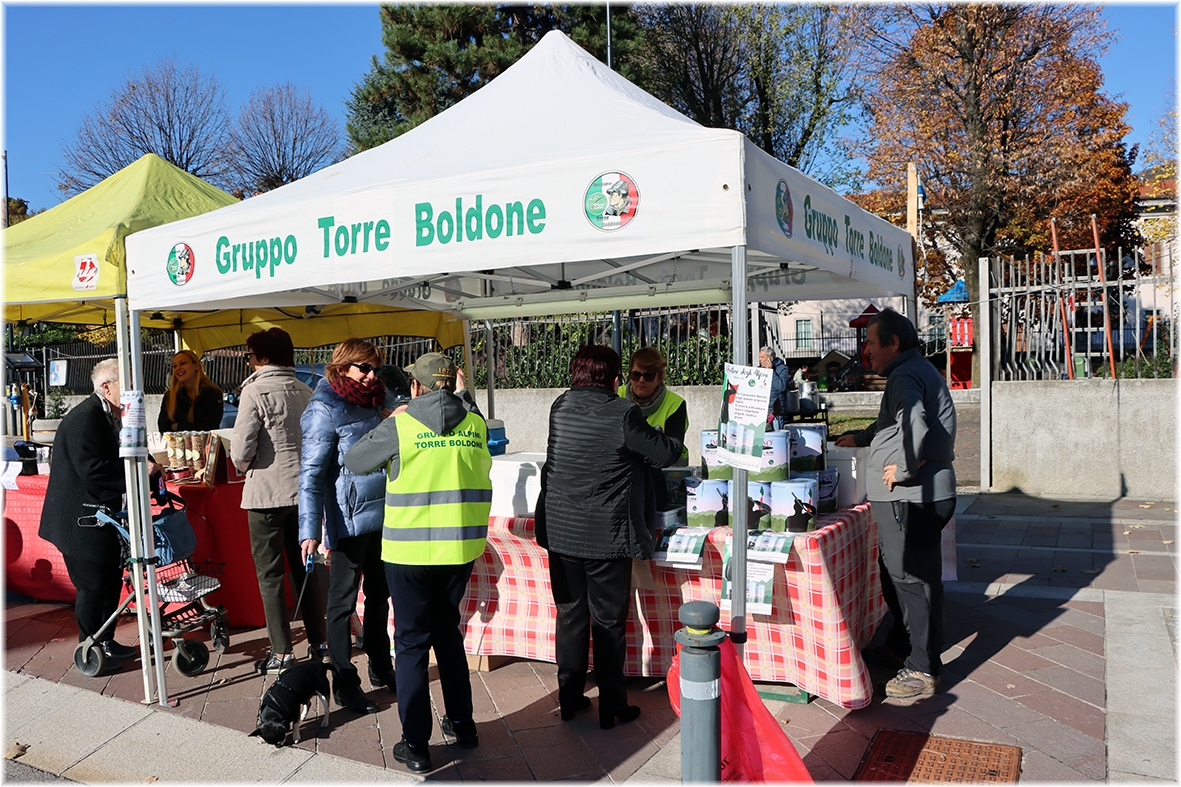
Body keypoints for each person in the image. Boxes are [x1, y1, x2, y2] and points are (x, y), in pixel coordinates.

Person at [344, 352, 490, 774]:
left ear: (414, 386)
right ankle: (463, 726)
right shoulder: (474, 423)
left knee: (410, 646)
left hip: (409, 553)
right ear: (452, 383)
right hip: (458, 550)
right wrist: (465, 395)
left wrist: (392, 421)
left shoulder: (402, 425)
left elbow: (355, 460)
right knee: (448, 635)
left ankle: (417, 745)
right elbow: (473, 419)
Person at [536, 345, 683, 730]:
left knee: (570, 615)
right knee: (607, 621)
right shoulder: (623, 413)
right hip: (606, 533)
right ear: (615, 379)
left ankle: (569, 697)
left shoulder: (560, 406)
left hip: (561, 531)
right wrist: (664, 436)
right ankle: (612, 705)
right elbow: (665, 454)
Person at [834, 308, 956, 698]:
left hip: (910, 496)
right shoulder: (915, 370)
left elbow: (914, 419)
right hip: (920, 494)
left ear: (894, 343)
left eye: (871, 342)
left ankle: (921, 668)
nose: (866, 350)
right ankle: (905, 646)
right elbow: (895, 420)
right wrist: (862, 437)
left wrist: (903, 468)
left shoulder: (904, 375)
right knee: (903, 575)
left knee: (911, 580)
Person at [298, 339, 396, 715]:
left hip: (385, 514)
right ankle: (344, 681)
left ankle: (380, 665)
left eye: (375, 368)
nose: (371, 375)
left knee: (380, 594)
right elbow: (310, 474)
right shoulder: (324, 407)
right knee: (341, 602)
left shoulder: (377, 400)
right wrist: (309, 530)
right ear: (341, 368)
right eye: (363, 368)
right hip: (348, 519)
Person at [231, 328, 327, 674]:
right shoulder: (306, 389)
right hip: (304, 492)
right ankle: (319, 643)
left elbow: (241, 450)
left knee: (270, 575)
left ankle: (283, 652)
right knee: (306, 569)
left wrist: (243, 465)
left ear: (263, 357)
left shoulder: (254, 391)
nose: (248, 362)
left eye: (250, 356)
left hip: (266, 494)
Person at [38, 359, 136, 673]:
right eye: (126, 383)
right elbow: (93, 469)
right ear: (106, 387)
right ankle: (89, 647)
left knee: (109, 581)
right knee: (93, 586)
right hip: (79, 520)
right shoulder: (85, 417)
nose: (133, 390)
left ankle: (105, 640)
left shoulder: (106, 413)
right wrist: (136, 473)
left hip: (97, 515)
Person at [618, 347, 688, 466]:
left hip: (666, 471)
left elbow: (672, 450)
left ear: (660, 378)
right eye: (636, 374)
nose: (641, 380)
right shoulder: (617, 396)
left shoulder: (675, 404)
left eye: (648, 375)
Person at [157, 350, 223, 432]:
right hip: (176, 440)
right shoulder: (169, 395)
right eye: (174, 366)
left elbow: (211, 426)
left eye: (182, 363)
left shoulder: (213, 393)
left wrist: (178, 426)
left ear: (196, 366)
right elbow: (163, 428)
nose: (178, 368)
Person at [759, 345, 790, 430]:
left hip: (775, 412)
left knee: (776, 436)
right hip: (762, 410)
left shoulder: (783, 369)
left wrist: (771, 372)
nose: (760, 359)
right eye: (759, 357)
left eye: (762, 357)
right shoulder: (759, 370)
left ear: (770, 358)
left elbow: (781, 387)